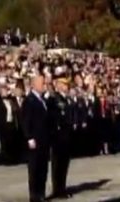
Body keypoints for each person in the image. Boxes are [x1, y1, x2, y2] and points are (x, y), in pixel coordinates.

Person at [22, 75, 50, 202]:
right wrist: (29, 137)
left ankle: (41, 193)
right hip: (35, 139)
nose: (44, 85)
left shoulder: (42, 100)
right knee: (34, 168)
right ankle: (34, 195)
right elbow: (26, 120)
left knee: (43, 168)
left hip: (44, 139)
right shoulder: (29, 100)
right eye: (41, 83)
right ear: (33, 85)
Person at [47, 69, 73, 199]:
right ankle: (57, 189)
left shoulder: (67, 99)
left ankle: (62, 188)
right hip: (57, 136)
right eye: (64, 85)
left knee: (64, 164)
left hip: (66, 135)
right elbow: (52, 117)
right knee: (57, 165)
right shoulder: (54, 99)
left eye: (67, 85)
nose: (66, 87)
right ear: (58, 85)